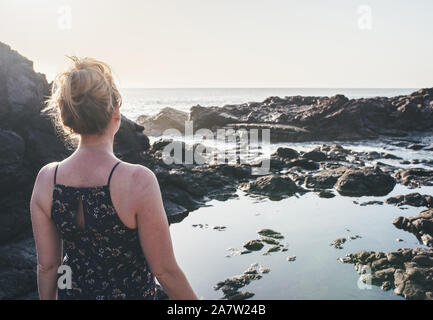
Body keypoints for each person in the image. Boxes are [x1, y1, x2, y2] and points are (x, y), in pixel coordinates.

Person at [30, 56, 198, 300]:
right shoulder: (138, 180)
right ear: (116, 112)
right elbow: (165, 271)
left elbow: (47, 267)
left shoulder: (47, 179)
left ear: (67, 120)